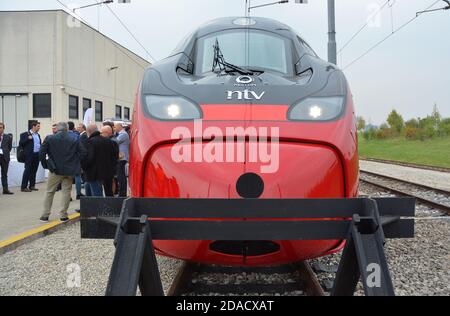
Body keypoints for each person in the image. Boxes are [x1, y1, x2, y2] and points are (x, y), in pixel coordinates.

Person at [39, 122, 86, 222]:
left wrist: (46, 165)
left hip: (55, 169)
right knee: (66, 191)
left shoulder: (49, 138)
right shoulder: (74, 138)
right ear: (67, 129)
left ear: (57, 129)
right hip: (69, 169)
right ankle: (63, 215)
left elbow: (42, 153)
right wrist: (75, 162)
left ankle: (45, 215)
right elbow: (83, 152)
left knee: (50, 191)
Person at [82, 125, 118, 197]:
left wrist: (84, 167)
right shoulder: (109, 141)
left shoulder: (89, 142)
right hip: (107, 171)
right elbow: (114, 156)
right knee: (108, 192)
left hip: (93, 173)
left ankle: (97, 207)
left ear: (88, 132)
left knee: (96, 194)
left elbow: (88, 159)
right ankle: (108, 206)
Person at [19, 121, 41, 192]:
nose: (39, 127)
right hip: (29, 155)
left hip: (36, 155)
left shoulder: (38, 135)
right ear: (33, 126)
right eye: (38, 126)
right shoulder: (25, 134)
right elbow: (21, 143)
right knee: (27, 171)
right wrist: (28, 138)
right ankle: (23, 187)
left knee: (34, 171)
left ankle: (32, 186)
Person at [114, 122, 130, 197]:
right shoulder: (122, 134)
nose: (114, 128)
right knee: (120, 176)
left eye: (115, 127)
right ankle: (121, 193)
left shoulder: (123, 134)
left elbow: (115, 142)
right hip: (121, 157)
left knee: (121, 176)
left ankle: (122, 194)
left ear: (120, 127)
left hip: (122, 157)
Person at [0, 123, 14, 195]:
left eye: (1, 127)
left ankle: (5, 190)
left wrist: (4, 152)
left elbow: (10, 147)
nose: (0, 129)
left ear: (3, 128)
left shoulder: (8, 137)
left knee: (4, 174)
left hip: (4, 157)